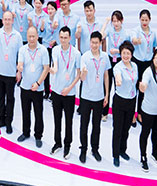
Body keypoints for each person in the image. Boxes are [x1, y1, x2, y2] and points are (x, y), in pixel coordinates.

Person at [78, 32, 110, 164]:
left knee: (96, 126)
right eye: (92, 42)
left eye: (97, 43)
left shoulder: (105, 57)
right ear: (90, 42)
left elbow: (106, 76)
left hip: (99, 97)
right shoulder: (85, 57)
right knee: (84, 125)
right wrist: (84, 73)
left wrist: (107, 94)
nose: (94, 45)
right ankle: (83, 149)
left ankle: (95, 149)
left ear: (100, 43)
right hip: (86, 96)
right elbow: (81, 78)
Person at [16, 26, 50, 147]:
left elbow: (46, 68)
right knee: (25, 111)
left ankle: (38, 135)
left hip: (38, 88)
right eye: (29, 36)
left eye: (33, 36)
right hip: (25, 87)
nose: (31, 39)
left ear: (37, 36)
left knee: (38, 113)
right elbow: (20, 63)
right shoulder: (22, 49)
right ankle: (25, 132)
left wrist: (38, 83)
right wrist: (19, 68)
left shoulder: (43, 50)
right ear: (27, 36)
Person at [49, 26, 80, 159]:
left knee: (68, 121)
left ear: (70, 38)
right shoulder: (55, 50)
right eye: (61, 37)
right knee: (57, 119)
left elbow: (78, 74)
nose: (63, 40)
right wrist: (53, 70)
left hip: (69, 93)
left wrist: (69, 88)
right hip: (56, 91)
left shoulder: (76, 53)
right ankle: (57, 143)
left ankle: (67, 145)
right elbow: (55, 65)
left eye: (65, 37)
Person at [138, 48, 157, 171]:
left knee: (156, 132)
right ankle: (143, 156)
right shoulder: (148, 72)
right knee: (145, 133)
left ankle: (155, 152)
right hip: (148, 109)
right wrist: (142, 87)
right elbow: (144, 84)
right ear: (153, 59)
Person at [0, 11, 22, 134]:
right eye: (5, 19)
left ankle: (9, 121)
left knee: (10, 98)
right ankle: (1, 119)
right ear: (2, 20)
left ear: (12, 20)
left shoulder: (17, 36)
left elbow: (21, 55)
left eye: (9, 19)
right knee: (0, 97)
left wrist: (19, 71)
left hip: (11, 73)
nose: (7, 21)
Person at [111, 41, 139, 167]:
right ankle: (115, 155)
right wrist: (118, 81)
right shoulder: (118, 67)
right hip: (120, 101)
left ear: (131, 54)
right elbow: (118, 77)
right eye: (123, 53)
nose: (126, 56)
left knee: (126, 128)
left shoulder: (135, 66)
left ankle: (123, 150)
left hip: (131, 100)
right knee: (118, 129)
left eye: (128, 53)